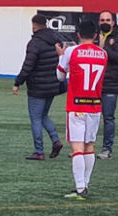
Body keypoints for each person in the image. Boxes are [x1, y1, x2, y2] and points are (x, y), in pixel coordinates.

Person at [56, 20, 107, 200]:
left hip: (77, 104)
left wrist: (61, 57)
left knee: (77, 147)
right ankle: (84, 184)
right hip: (95, 104)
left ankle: (79, 188)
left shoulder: (71, 51)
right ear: (95, 35)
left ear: (78, 34)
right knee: (89, 146)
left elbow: (60, 76)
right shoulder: (103, 54)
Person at [13, 14, 64, 160]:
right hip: (52, 85)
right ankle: (55, 140)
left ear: (34, 25)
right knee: (43, 115)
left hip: (37, 86)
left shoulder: (34, 43)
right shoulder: (55, 39)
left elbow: (28, 65)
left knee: (35, 118)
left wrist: (18, 82)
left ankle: (39, 151)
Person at [95, 10, 118, 160]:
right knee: (90, 116)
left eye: (108, 20)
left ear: (113, 22)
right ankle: (86, 147)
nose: (105, 22)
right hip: (93, 84)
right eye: (102, 20)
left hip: (110, 84)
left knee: (108, 117)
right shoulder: (94, 36)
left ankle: (107, 148)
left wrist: (103, 47)